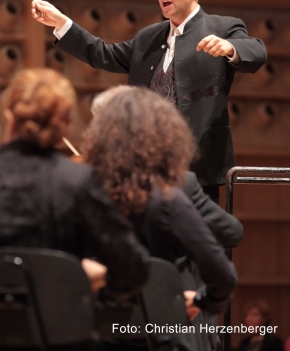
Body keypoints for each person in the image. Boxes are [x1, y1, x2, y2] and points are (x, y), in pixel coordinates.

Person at [31, 0, 267, 203]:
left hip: (198, 168)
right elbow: (103, 54)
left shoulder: (222, 27)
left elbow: (257, 51)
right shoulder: (148, 37)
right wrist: (61, 23)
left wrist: (231, 48)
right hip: (142, 167)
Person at [81, 86, 238, 350]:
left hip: (96, 334)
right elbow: (223, 276)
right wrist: (202, 302)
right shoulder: (168, 199)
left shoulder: (79, 192)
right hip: (158, 333)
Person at [0, 69, 149, 308]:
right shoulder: (78, 182)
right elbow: (134, 269)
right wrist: (84, 278)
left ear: (9, 120)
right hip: (62, 335)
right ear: (65, 125)